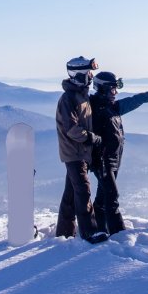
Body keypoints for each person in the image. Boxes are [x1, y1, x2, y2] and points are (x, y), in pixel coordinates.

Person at [90, 71, 148, 235]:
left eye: (116, 89)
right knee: (112, 197)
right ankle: (119, 235)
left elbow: (137, 100)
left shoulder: (112, 107)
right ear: (101, 89)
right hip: (103, 161)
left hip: (113, 160)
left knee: (102, 199)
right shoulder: (94, 109)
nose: (115, 93)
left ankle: (100, 229)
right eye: (112, 89)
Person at [55, 56, 108, 243]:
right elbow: (72, 129)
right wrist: (91, 138)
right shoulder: (69, 98)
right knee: (83, 190)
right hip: (74, 152)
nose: (91, 77)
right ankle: (89, 232)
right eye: (88, 73)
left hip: (80, 152)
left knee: (71, 194)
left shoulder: (81, 96)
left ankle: (64, 232)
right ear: (78, 75)